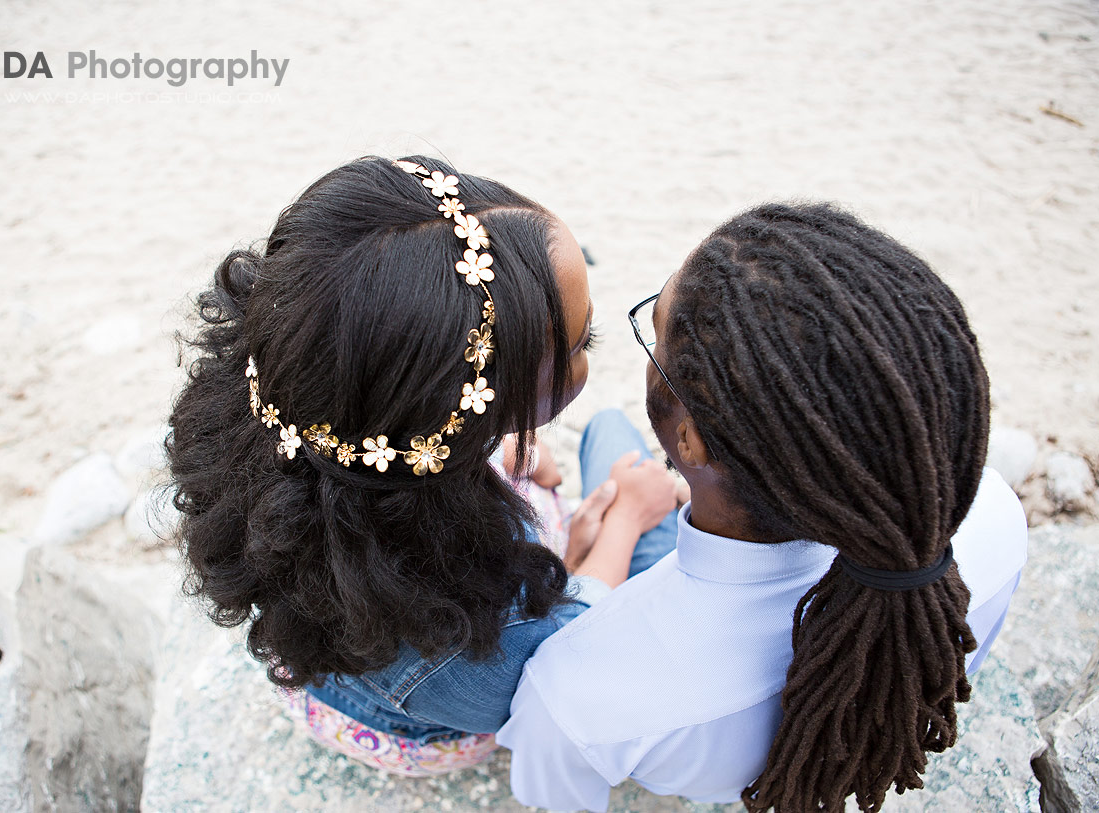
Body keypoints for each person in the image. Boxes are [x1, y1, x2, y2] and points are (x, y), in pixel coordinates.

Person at [498, 202, 1029, 813]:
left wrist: (610, 539)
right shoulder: (995, 514)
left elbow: (553, 796)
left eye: (657, 335)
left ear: (690, 440)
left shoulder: (578, 692)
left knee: (609, 432)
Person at [165, 155, 681, 776]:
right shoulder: (455, 642)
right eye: (581, 345)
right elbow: (563, 669)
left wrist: (493, 449)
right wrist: (625, 521)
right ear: (454, 416)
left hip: (352, 657)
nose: (588, 347)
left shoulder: (303, 423)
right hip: (429, 716)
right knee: (649, 503)